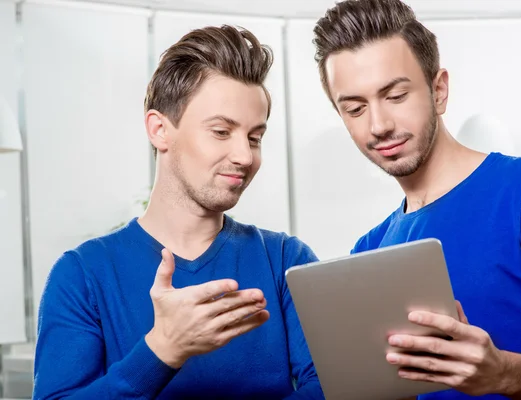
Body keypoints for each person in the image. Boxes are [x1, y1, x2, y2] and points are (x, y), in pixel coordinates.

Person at [312, 0, 521, 399]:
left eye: (395, 96)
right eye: (356, 108)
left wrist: (504, 374)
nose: (378, 125)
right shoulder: (369, 250)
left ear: (438, 89)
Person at [33, 25, 324, 400]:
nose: (245, 156)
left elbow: (333, 386)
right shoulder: (82, 276)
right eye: (221, 131)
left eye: (255, 137)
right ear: (159, 130)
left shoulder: (287, 260)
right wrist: (162, 351)